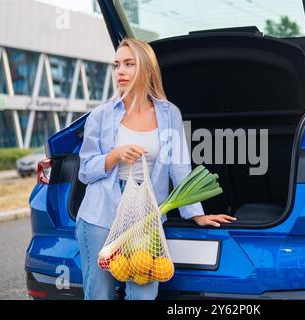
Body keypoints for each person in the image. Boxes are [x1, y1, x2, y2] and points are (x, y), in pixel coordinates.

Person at [75, 38, 236, 300]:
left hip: (146, 216)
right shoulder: (101, 115)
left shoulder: (169, 113)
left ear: (147, 70)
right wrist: (115, 155)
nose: (121, 72)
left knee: (143, 293)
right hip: (101, 215)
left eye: (129, 64)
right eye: (117, 65)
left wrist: (195, 213)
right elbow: (85, 170)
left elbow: (180, 165)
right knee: (100, 294)